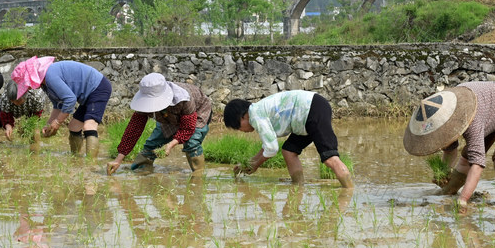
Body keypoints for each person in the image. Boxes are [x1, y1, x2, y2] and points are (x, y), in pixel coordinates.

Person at [403, 82, 495, 207]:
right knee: (466, 159)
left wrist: (463, 199)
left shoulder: (472, 122)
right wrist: (443, 173)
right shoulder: (445, 116)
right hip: (490, 110)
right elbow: (450, 151)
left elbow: (477, 164)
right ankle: (447, 193)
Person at [223, 90, 354, 188]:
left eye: (238, 127)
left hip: (311, 109)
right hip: (304, 117)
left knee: (329, 158)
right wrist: (249, 163)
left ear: (242, 117)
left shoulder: (255, 114)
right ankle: (298, 186)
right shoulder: (258, 111)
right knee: (289, 151)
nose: (242, 131)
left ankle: (349, 191)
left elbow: (272, 149)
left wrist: (256, 165)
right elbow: (268, 145)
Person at [107, 73, 212, 175]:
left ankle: (198, 175)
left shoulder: (183, 97)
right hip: (167, 117)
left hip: (198, 111)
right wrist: (118, 160)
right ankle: (142, 171)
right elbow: (133, 130)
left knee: (192, 143)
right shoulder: (145, 102)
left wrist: (170, 145)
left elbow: (187, 128)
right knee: (152, 144)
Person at [11, 56, 112, 158]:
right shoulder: (45, 84)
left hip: (98, 88)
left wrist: (58, 122)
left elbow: (70, 100)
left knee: (89, 126)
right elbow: (58, 106)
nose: (28, 88)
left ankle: (91, 163)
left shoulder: (50, 76)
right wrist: (49, 125)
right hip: (88, 94)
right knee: (74, 127)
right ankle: (75, 158)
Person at [0, 79, 47, 144]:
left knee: (34, 129)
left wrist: (27, 126)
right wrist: (8, 126)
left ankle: (34, 151)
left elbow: (35, 116)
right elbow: (5, 114)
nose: (15, 103)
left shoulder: (36, 97)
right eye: (12, 100)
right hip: (7, 103)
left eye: (18, 101)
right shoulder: (5, 97)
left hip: (31, 106)